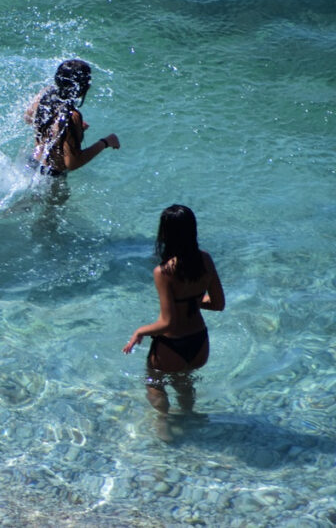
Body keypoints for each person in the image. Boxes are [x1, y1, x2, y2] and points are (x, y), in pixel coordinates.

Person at [123, 205, 226, 415]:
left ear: (165, 233)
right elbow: (218, 304)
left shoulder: (163, 272)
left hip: (171, 345)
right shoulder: (205, 259)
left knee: (154, 383)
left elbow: (168, 323)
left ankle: (163, 426)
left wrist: (140, 331)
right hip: (199, 343)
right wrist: (191, 301)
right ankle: (189, 417)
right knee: (184, 383)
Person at [23, 59, 119, 178]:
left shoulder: (45, 94)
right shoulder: (71, 116)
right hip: (49, 179)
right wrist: (105, 142)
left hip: (32, 163)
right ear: (83, 87)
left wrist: (67, 132)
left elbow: (28, 118)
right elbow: (72, 163)